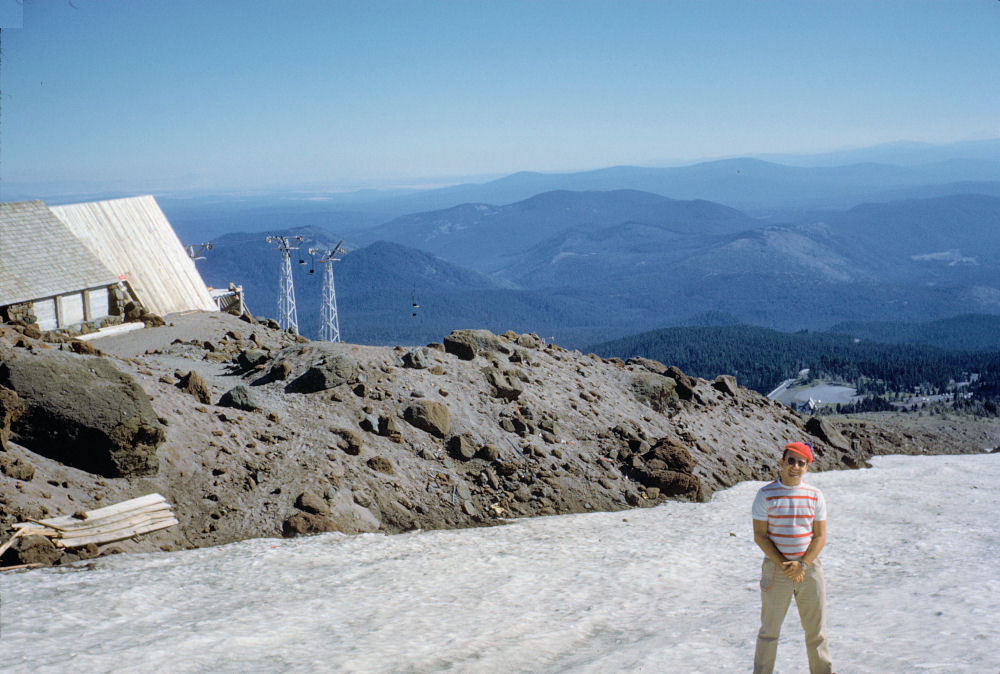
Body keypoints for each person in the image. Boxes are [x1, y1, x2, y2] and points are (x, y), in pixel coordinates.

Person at [751, 441, 833, 674]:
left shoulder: (815, 496)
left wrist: (803, 564)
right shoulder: (765, 495)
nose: (795, 466)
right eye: (791, 460)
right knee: (769, 631)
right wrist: (786, 565)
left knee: (817, 631)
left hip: (809, 569)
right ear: (781, 462)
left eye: (801, 462)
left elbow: (819, 536)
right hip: (777, 571)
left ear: (807, 467)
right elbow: (760, 535)